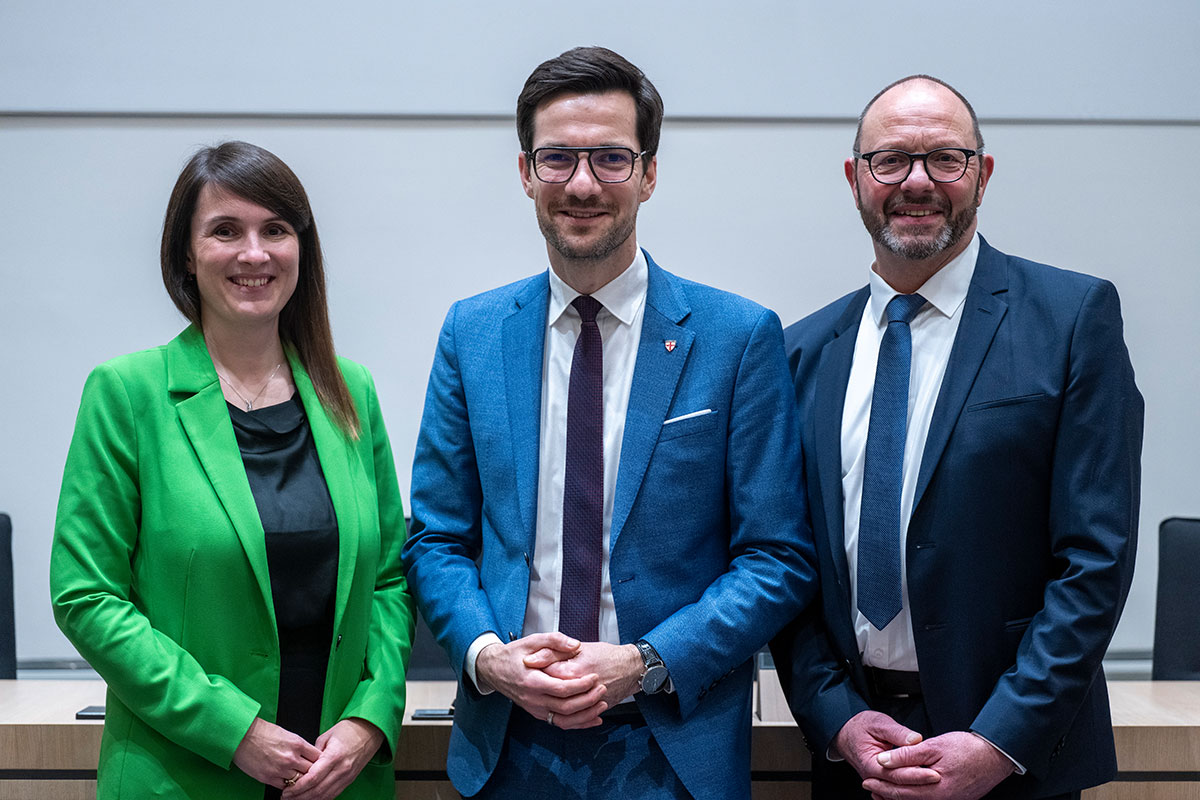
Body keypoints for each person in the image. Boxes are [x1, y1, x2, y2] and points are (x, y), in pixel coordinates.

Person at [401, 46, 816, 799]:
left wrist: (643, 661)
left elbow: (776, 557)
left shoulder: (737, 337)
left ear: (649, 173)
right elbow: (436, 536)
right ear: (525, 172)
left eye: (611, 159)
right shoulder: (473, 333)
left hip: (670, 746)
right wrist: (487, 655)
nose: (583, 184)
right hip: (505, 749)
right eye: (557, 158)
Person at [770, 75, 1143, 800]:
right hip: (858, 762)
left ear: (983, 174)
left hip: (1016, 762)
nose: (917, 181)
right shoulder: (801, 353)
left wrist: (1000, 738)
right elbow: (788, 566)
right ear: (855, 178)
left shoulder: (1072, 320)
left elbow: (1095, 561)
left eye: (946, 158)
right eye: (890, 160)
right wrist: (837, 717)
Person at [50, 141, 414, 799]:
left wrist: (373, 714)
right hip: (186, 772)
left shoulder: (349, 391)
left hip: (340, 776)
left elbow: (389, 578)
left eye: (275, 229)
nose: (254, 253)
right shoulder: (128, 392)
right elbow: (88, 597)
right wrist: (234, 729)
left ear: (301, 248)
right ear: (186, 254)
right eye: (225, 231)